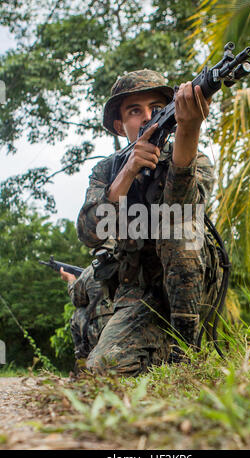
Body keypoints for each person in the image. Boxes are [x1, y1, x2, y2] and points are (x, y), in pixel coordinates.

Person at [77, 69, 221, 376]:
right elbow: (89, 232)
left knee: (176, 223)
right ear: (119, 125)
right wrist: (127, 174)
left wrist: (188, 132)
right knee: (102, 369)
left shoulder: (195, 157)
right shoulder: (107, 170)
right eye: (134, 111)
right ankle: (159, 353)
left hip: (194, 288)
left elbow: (182, 213)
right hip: (140, 294)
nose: (147, 117)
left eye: (156, 108)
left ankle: (187, 355)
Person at [60, 262, 115, 361]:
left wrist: (71, 280)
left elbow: (77, 301)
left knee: (78, 314)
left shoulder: (91, 271)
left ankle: (83, 360)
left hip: (102, 334)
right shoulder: (130, 267)